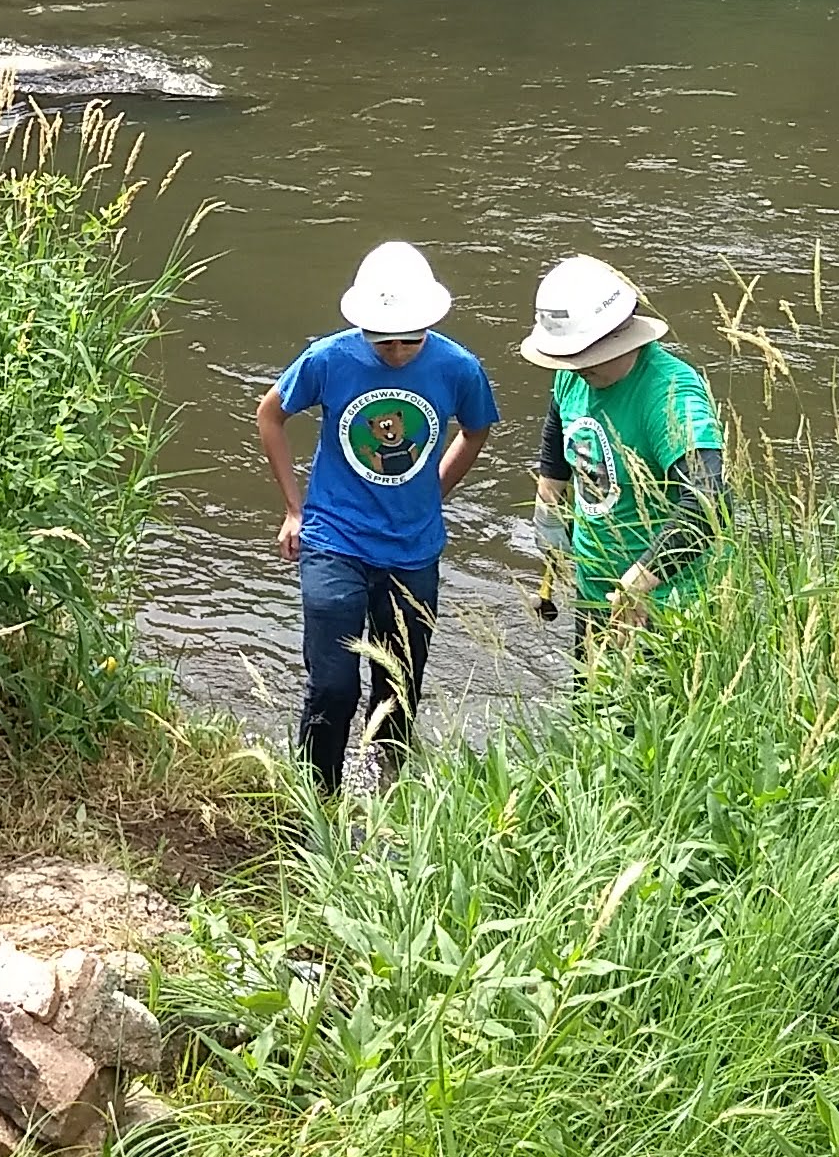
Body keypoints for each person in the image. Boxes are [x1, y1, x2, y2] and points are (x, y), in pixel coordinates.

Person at [254, 240, 500, 796]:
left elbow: (477, 427)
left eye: (408, 339)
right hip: (333, 540)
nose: (394, 351)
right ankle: (319, 802)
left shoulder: (458, 367)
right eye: (381, 339)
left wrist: (433, 490)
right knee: (333, 687)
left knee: (399, 685)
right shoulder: (329, 358)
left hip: (413, 552)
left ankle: (387, 799)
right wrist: (294, 508)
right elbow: (271, 414)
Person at [521, 256, 728, 643]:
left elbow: (709, 498)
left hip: (664, 605)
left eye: (581, 356)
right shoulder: (572, 376)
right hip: (595, 591)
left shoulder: (670, 394)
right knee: (590, 703)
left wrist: (644, 579)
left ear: (619, 333)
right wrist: (548, 510)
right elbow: (557, 435)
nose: (572, 366)